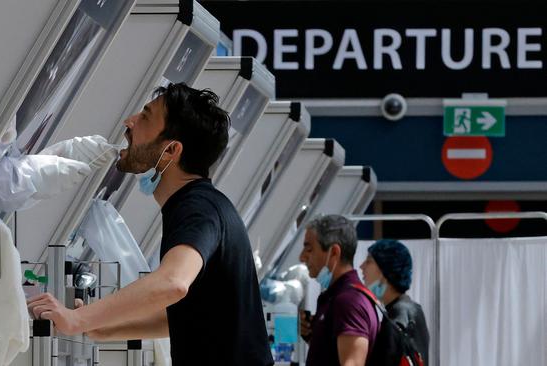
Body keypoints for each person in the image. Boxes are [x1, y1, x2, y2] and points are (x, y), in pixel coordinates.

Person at [27, 83, 274, 366]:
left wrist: (77, 318)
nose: (129, 122)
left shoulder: (198, 209)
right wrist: (96, 326)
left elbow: (173, 283)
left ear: (171, 151)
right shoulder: (200, 204)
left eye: (145, 116)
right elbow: (183, 316)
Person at [298, 214, 378, 366]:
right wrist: (313, 336)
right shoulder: (336, 297)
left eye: (309, 249)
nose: (302, 257)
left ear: (334, 252)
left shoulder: (348, 302)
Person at [359, 239, 430, 364]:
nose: (362, 266)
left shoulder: (394, 320)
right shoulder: (416, 310)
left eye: (369, 261)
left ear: (384, 270)